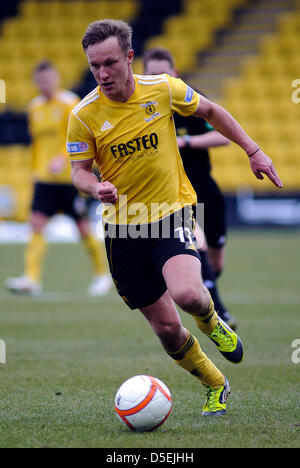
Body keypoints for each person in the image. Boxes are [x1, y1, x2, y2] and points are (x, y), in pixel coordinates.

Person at [67, 20, 282, 416]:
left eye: (111, 63)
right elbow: (78, 170)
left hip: (171, 212)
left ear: (130, 57)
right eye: (94, 65)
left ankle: (212, 320)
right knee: (166, 330)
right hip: (122, 228)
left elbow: (213, 110)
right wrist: (93, 187)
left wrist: (253, 150)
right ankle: (215, 382)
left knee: (188, 295)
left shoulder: (163, 89)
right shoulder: (83, 114)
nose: (102, 73)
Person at [142, 47, 236, 329]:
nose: (158, 78)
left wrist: (187, 143)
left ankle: (204, 293)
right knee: (198, 242)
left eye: (163, 73)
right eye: (152, 74)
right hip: (172, 194)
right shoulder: (141, 107)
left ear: (175, 74)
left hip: (203, 187)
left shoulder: (191, 100)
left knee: (214, 259)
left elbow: (223, 137)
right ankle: (218, 313)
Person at [5, 61, 112, 297]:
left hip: (70, 179)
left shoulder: (69, 103)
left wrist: (63, 159)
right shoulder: (34, 107)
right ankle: (31, 278)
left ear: (57, 79)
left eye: (48, 79)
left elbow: (80, 138)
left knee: (83, 229)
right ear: (36, 82)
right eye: (40, 81)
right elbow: (36, 144)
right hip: (43, 179)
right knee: (36, 225)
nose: (45, 84)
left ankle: (102, 275)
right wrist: (35, 169)